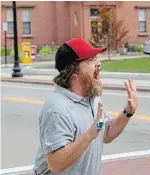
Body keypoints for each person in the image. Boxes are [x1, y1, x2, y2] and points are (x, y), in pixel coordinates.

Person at [33, 38, 138, 175]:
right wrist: (89, 135)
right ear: (73, 72)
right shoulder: (57, 109)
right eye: (90, 60)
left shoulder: (92, 98)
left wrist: (128, 112)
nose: (98, 63)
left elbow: (106, 133)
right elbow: (56, 164)